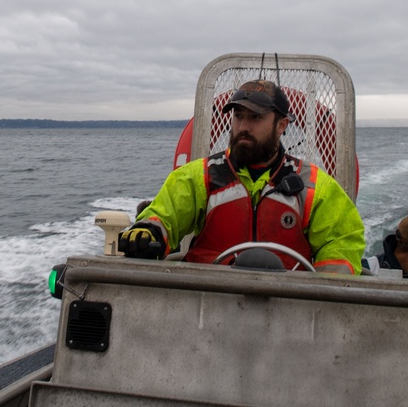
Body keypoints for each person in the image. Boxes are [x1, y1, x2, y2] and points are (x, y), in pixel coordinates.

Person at [118, 79, 365, 274]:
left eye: (255, 117)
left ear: (282, 125)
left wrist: (318, 298)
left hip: (288, 309)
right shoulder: (198, 177)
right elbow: (164, 215)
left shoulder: (313, 186)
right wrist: (149, 231)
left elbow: (341, 243)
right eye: (238, 116)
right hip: (205, 302)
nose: (243, 127)